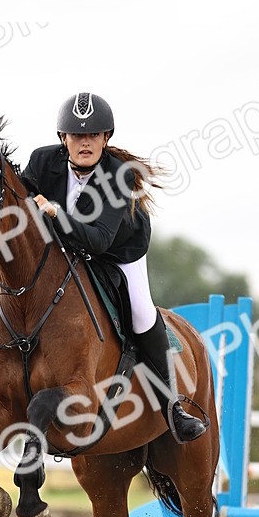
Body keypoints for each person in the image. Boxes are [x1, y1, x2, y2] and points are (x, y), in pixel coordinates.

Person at [20, 92, 207, 444]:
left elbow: (99, 241)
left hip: (118, 252)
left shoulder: (118, 176)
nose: (85, 142)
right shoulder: (43, 162)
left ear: (106, 138)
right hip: (64, 248)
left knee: (140, 312)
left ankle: (173, 407)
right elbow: (18, 195)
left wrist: (56, 214)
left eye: (93, 135)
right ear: (63, 139)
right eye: (77, 135)